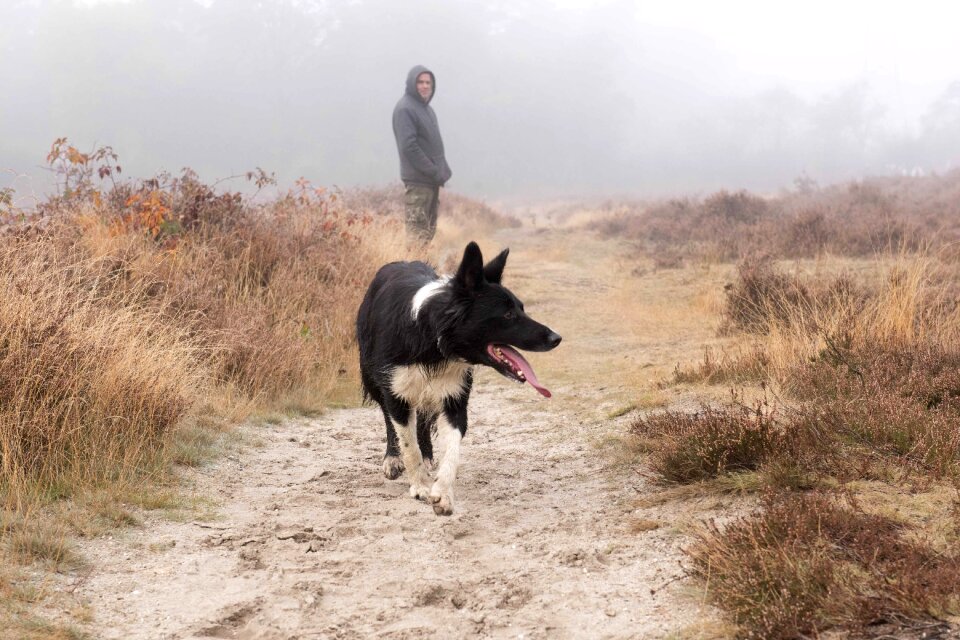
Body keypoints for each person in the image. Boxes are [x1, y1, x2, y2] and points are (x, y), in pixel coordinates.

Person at [392, 65, 452, 243]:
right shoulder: (405, 109)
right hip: (418, 183)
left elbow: (432, 145)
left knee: (427, 234)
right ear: (412, 84)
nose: (425, 86)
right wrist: (434, 170)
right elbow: (408, 146)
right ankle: (414, 270)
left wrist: (444, 170)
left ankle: (423, 269)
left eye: (428, 82)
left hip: (430, 183)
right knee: (416, 237)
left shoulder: (426, 109)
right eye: (420, 82)